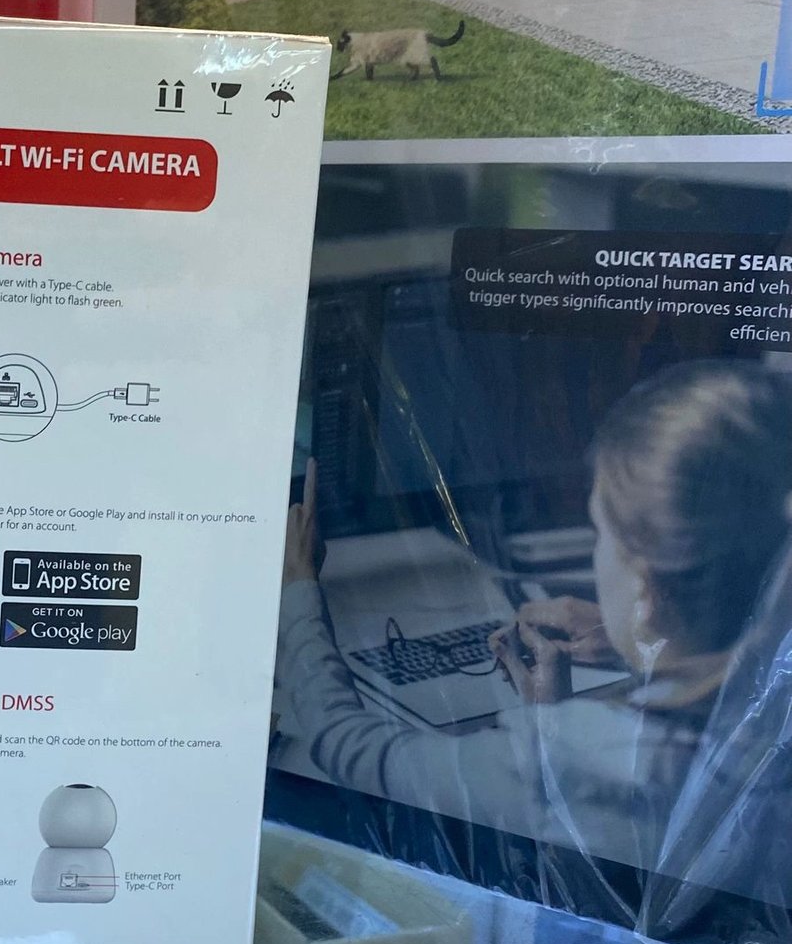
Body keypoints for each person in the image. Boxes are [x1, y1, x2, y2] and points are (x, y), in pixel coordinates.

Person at [277, 360, 792, 871]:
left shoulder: (583, 761)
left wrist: (298, 585)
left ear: (645, 584)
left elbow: (354, 749)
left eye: (600, 532)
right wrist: (614, 658)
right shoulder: (772, 713)